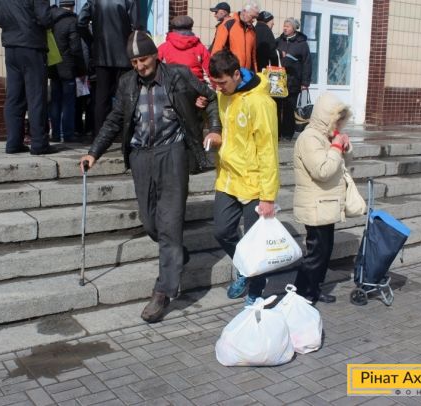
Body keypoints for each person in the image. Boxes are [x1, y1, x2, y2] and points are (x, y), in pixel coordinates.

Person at [79, 31, 222, 323]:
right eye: (134, 62)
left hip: (173, 154)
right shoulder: (126, 82)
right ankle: (176, 253)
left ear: (155, 55)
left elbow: (210, 97)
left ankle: (163, 291)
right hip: (140, 156)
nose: (139, 66)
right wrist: (94, 152)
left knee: (169, 223)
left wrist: (215, 129)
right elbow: (115, 119)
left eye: (143, 59)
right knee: (151, 223)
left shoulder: (178, 75)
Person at [204, 50, 279, 306]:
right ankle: (245, 270)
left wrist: (268, 196)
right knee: (222, 231)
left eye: (222, 82)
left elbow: (268, 151)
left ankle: (256, 291)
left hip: (254, 183)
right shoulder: (222, 94)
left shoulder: (260, 103)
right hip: (228, 179)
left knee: (254, 243)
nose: (219, 88)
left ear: (237, 74)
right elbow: (221, 123)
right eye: (215, 83)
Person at [292, 92, 352, 304]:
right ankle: (301, 295)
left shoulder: (326, 136)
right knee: (316, 254)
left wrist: (344, 147)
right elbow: (322, 171)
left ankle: (314, 289)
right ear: (325, 117)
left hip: (326, 203)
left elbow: (342, 166)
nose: (339, 124)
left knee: (324, 252)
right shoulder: (309, 138)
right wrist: (336, 147)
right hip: (315, 205)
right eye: (336, 119)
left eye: (341, 120)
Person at [0, 0, 56, 155]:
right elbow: (45, 18)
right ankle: (39, 144)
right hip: (32, 45)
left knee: (14, 97)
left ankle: (14, 143)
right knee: (36, 96)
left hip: (11, 46)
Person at [77, 0, 139, 139]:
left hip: (102, 54)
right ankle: (126, 135)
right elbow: (136, 27)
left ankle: (100, 135)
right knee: (126, 96)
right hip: (124, 55)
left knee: (101, 97)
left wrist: (93, 41)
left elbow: (80, 22)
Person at [49, 0, 85, 143]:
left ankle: (56, 134)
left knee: (55, 101)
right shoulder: (71, 20)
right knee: (68, 102)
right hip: (68, 68)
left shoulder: (50, 18)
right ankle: (68, 134)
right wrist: (82, 69)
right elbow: (76, 48)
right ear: (72, 6)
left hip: (53, 66)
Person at [275, 17, 311, 140]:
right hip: (278, 81)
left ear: (294, 28)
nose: (285, 28)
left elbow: (307, 63)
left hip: (294, 80)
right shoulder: (279, 41)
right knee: (277, 107)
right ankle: (277, 132)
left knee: (289, 108)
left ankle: (287, 133)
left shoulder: (302, 44)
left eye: (288, 26)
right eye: (284, 26)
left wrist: (305, 82)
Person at [158, 15, 211, 84]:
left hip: (172, 85)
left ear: (173, 29)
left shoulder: (164, 47)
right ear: (191, 29)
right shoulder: (200, 47)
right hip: (196, 86)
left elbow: (154, 67)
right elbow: (210, 69)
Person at [210, 1, 259, 71]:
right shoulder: (228, 24)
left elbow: (253, 56)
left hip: (246, 73)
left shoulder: (252, 29)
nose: (254, 20)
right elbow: (216, 51)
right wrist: (216, 72)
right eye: (252, 17)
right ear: (244, 11)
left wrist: (254, 72)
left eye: (256, 18)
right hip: (230, 72)